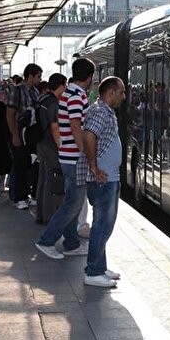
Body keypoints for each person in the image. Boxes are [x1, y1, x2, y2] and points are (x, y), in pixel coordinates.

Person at [34, 58, 94, 260]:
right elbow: (76, 124)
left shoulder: (68, 93)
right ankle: (47, 240)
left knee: (72, 202)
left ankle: (71, 243)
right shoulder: (77, 95)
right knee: (72, 204)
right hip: (75, 156)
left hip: (67, 155)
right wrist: (84, 150)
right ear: (89, 77)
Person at [80, 76, 127, 288]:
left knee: (104, 224)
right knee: (102, 225)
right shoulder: (100, 112)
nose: (123, 97)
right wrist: (94, 167)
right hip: (104, 179)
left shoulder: (104, 111)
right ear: (110, 93)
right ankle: (93, 271)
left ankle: (100, 265)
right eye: (121, 92)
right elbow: (89, 136)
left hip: (109, 177)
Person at [7, 63, 42, 210]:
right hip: (18, 134)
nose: (40, 79)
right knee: (19, 165)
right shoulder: (17, 91)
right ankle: (17, 196)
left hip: (29, 135)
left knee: (28, 164)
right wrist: (14, 135)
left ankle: (24, 195)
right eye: (38, 76)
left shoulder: (35, 92)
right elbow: (10, 114)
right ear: (30, 76)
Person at [35, 73, 66, 224]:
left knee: (43, 179)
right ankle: (48, 216)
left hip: (40, 143)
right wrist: (60, 146)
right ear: (60, 86)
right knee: (51, 181)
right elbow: (55, 127)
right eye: (64, 85)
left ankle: (40, 213)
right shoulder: (54, 103)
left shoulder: (42, 98)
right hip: (50, 145)